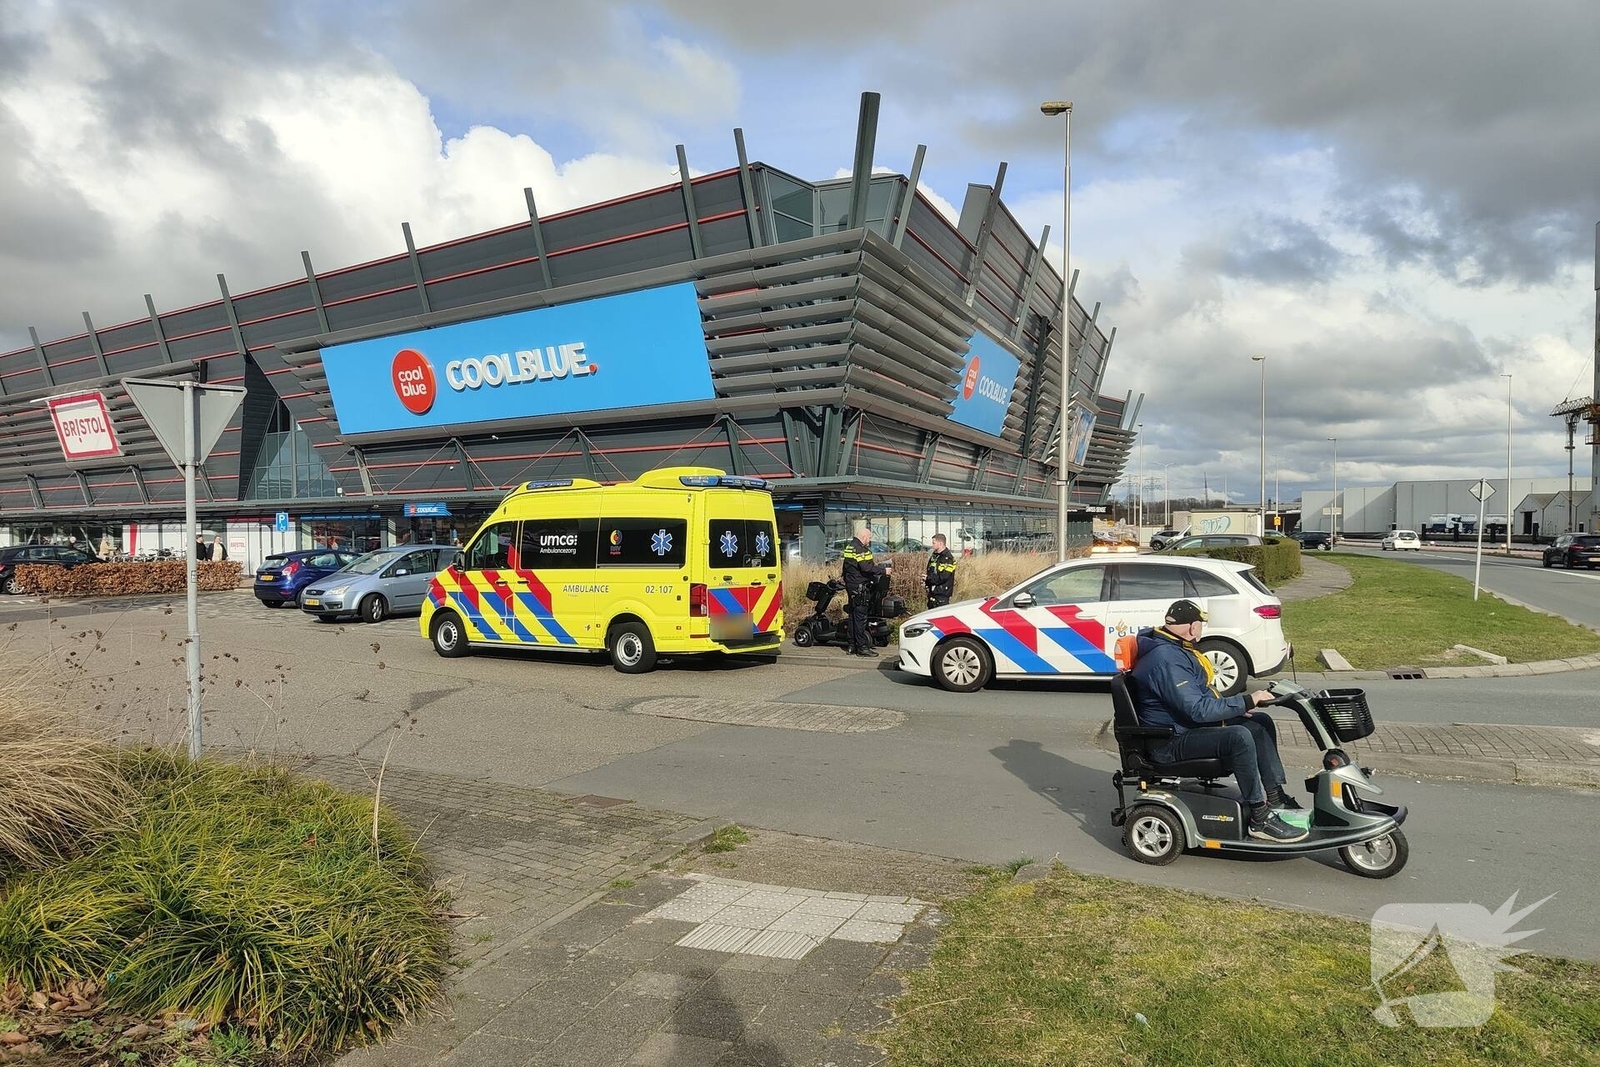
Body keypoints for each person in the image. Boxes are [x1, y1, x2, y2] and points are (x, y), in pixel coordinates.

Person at [1129, 599, 1307, 843]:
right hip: (1169, 741)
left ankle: (1276, 798)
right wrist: (1246, 700)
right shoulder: (1166, 659)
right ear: (1193, 627)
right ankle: (1259, 818)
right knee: (1238, 736)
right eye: (1200, 624)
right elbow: (1197, 709)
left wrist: (1236, 709)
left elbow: (1198, 698)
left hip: (1183, 727)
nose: (1201, 629)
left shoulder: (1174, 647)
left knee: (1259, 724)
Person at [840, 526, 891, 657]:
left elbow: (846, 567)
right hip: (860, 587)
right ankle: (862, 648)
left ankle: (851, 645)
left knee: (852, 615)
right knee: (860, 618)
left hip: (851, 585)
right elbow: (866, 567)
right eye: (869, 537)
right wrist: (883, 570)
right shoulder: (861, 549)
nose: (869, 540)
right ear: (863, 537)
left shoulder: (850, 547)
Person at [924, 533, 957, 608]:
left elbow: (943, 577)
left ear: (940, 543)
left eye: (934, 543)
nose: (932, 545)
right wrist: (926, 581)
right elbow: (931, 571)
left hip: (942, 596)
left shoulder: (947, 558)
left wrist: (928, 579)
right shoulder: (935, 556)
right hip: (932, 594)